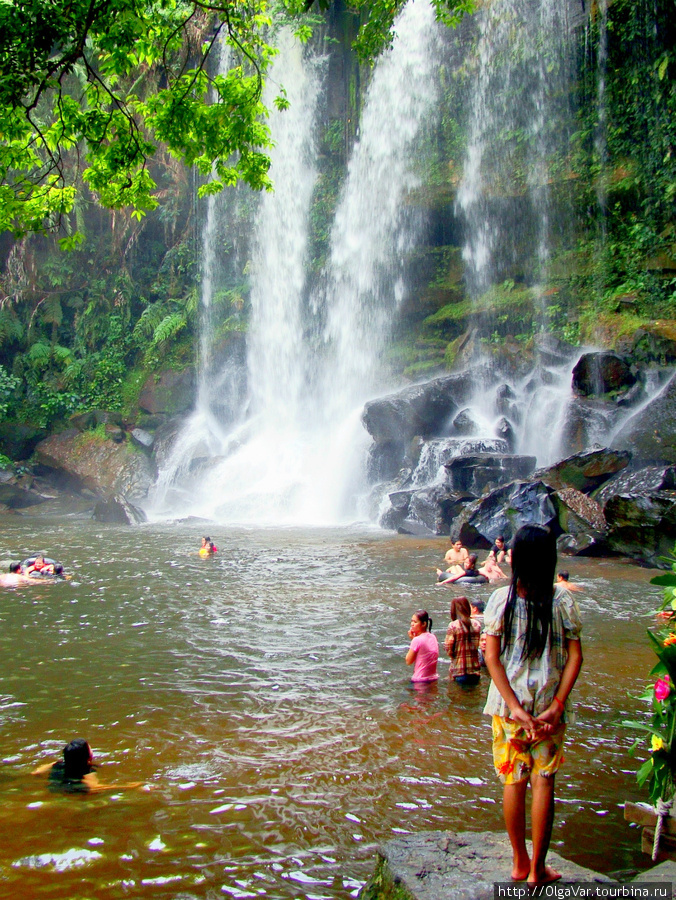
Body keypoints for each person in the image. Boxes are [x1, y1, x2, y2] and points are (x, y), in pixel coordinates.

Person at [483, 524, 583, 886]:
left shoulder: (500, 600)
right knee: (544, 781)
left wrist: (514, 706)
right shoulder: (562, 600)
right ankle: (538, 869)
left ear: (518, 559)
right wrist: (557, 705)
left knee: (513, 780)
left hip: (510, 708)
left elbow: (492, 658)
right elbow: (575, 657)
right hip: (548, 708)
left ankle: (519, 862)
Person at [32, 739, 143, 793]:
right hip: (74, 793)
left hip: (55, 788)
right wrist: (130, 786)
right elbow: (95, 787)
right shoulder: (88, 772)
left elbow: (36, 772)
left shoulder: (57, 764)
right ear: (89, 757)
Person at [444, 596, 482, 685]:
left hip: (459, 670)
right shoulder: (476, 624)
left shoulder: (453, 625)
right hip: (475, 670)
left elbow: (448, 649)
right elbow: (477, 645)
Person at [405, 610, 439, 683]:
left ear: (423, 624)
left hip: (420, 680)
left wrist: (413, 640)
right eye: (412, 621)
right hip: (433, 678)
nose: (412, 624)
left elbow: (408, 661)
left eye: (415, 622)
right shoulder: (433, 637)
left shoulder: (417, 640)